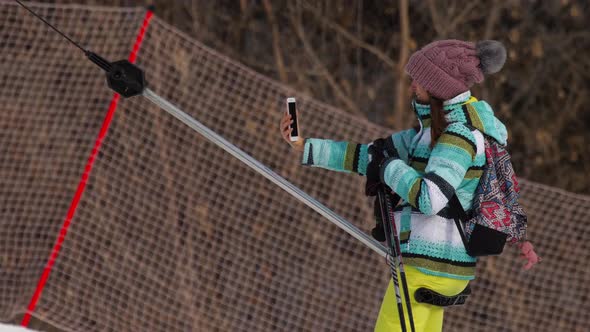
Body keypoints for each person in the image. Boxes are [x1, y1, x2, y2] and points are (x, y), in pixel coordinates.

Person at [280, 39, 539, 332]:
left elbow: (431, 198)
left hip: (431, 263)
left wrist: (389, 167)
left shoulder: (458, 137)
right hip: (439, 265)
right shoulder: (429, 134)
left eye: (417, 81)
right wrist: (304, 147)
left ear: (437, 87)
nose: (411, 88)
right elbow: (368, 156)